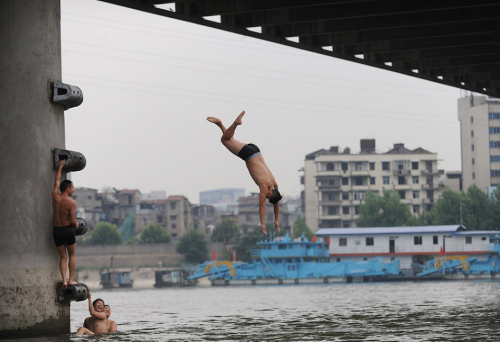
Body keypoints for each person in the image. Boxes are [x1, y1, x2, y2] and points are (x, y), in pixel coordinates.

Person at [207, 111, 283, 235]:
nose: (266, 196)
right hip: (249, 155)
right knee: (225, 140)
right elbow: (262, 206)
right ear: (270, 192)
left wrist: (277, 220)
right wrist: (263, 224)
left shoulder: (274, 184)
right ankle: (235, 123)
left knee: (229, 139)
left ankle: (220, 124)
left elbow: (276, 203)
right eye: (268, 196)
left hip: (255, 150)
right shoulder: (264, 186)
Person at [52, 159, 78, 289]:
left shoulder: (54, 197)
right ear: (68, 189)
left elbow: (57, 181)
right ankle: (71, 279)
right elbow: (72, 220)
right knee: (72, 255)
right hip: (68, 230)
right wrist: (77, 224)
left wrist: (61, 166)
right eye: (72, 188)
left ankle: (64, 281)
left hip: (57, 230)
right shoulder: (72, 203)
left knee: (62, 257)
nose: (73, 190)